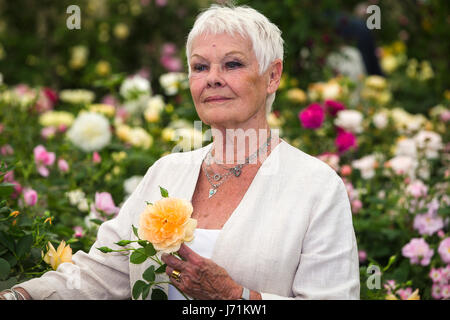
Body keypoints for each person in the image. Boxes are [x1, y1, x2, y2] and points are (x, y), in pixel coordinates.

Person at [0, 4, 359, 300]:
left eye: (232, 64)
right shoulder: (168, 171)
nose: (213, 78)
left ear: (272, 76)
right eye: (200, 67)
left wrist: (236, 299)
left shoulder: (315, 187)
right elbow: (102, 274)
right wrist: (19, 296)